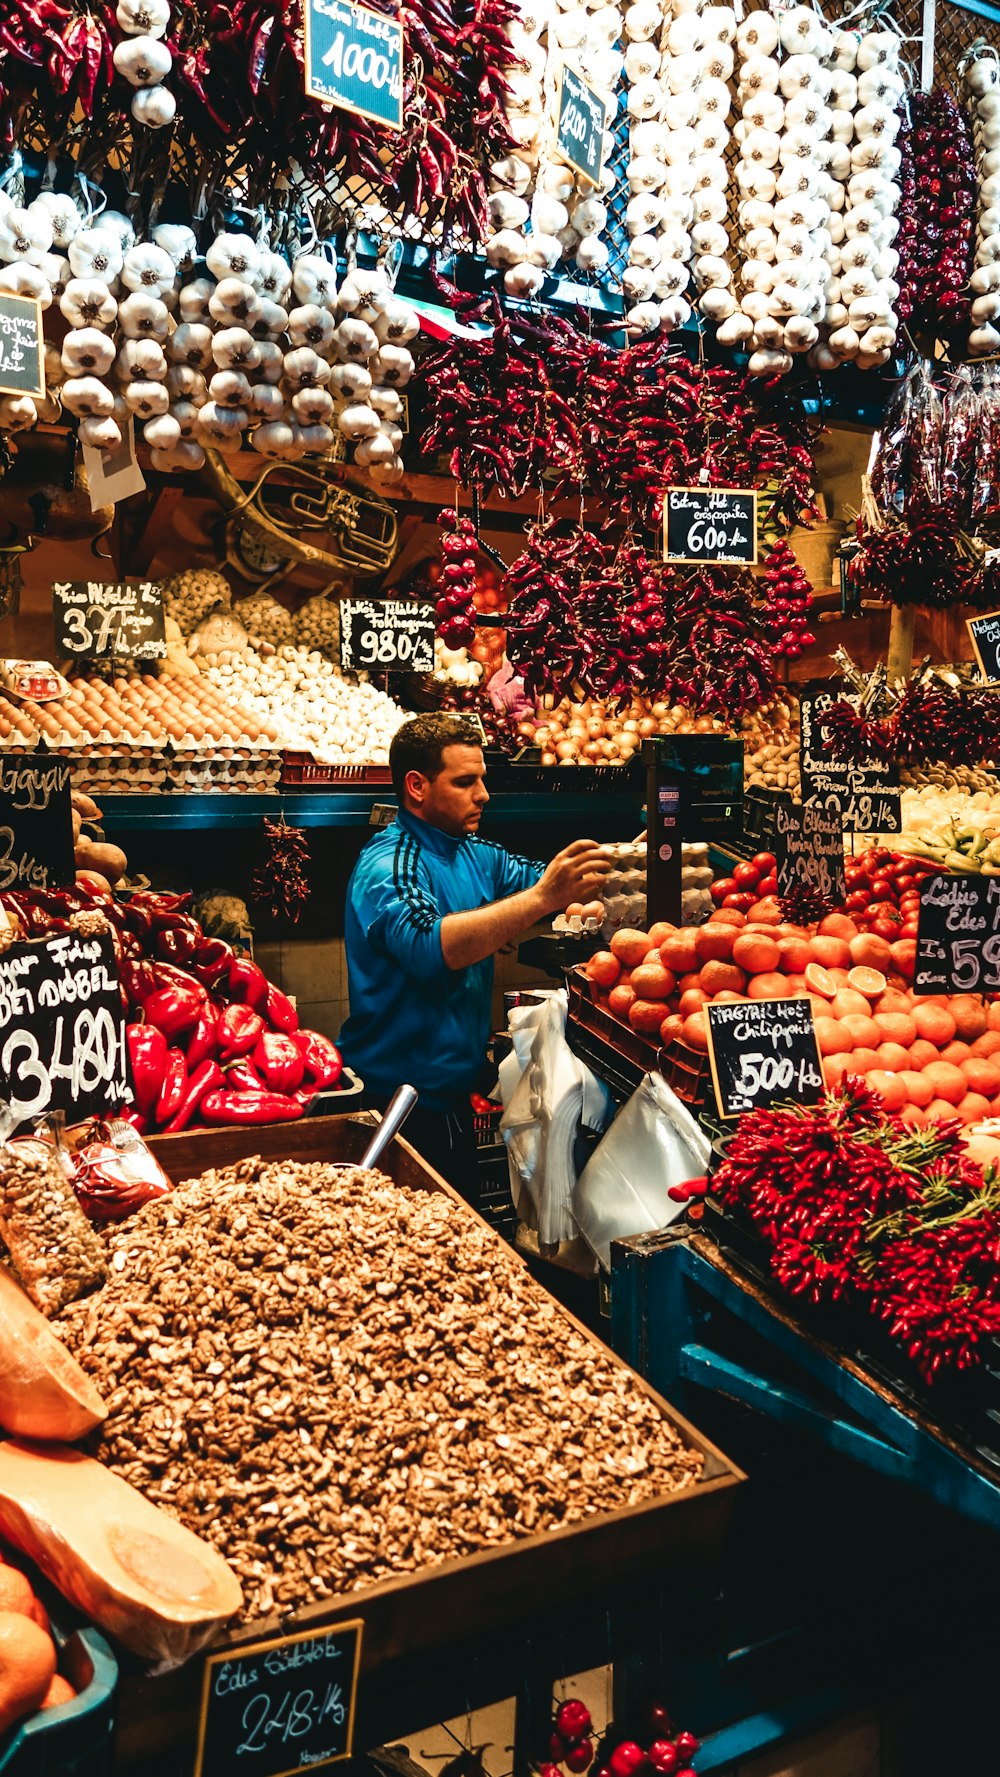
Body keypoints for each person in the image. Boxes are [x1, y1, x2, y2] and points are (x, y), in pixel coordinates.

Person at [339, 713, 612, 1194]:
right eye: (465, 782)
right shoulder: (388, 864)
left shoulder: (474, 852)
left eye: (482, 780)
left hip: (452, 1098)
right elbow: (429, 946)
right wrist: (541, 899)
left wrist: (621, 867)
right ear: (417, 786)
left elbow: (545, 882)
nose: (483, 795)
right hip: (398, 1104)